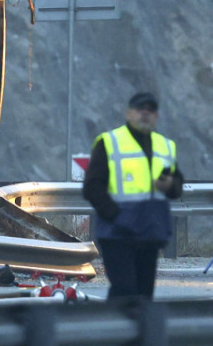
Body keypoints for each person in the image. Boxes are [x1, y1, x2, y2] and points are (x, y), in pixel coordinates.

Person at [83, 91, 184, 300]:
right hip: (117, 234)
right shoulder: (110, 142)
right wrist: (116, 215)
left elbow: (177, 185)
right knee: (125, 291)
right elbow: (92, 187)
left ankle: (136, 332)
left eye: (150, 110)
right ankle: (111, 330)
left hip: (149, 233)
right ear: (129, 113)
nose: (145, 114)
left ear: (156, 116)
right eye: (140, 109)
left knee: (144, 294)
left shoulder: (164, 146)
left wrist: (169, 185)